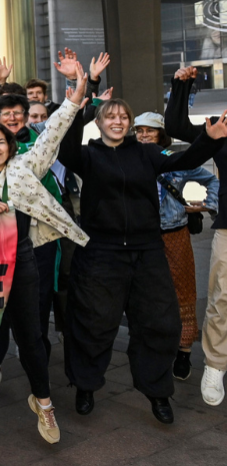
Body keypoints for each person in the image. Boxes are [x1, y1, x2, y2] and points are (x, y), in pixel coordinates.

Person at [58, 81, 227, 424]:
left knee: (157, 323)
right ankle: (86, 386)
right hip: (101, 254)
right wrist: (80, 103)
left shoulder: (148, 153)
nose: (117, 121)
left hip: (147, 251)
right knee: (94, 321)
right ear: (100, 122)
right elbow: (65, 149)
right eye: (110, 116)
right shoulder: (88, 155)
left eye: (123, 117)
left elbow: (185, 159)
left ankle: (158, 393)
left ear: (130, 123)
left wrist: (209, 139)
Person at [0, 66, 90, 444]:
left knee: (31, 337)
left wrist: (74, 97)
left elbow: (51, 135)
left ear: (11, 147)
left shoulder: (26, 168)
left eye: (2, 142)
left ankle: (43, 403)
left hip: (22, 262)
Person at [134, 111, 219, 381]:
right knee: (146, 295)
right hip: (142, 237)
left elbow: (212, 179)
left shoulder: (176, 161)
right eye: (139, 131)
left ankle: (183, 352)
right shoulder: (130, 159)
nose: (144, 135)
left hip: (175, 233)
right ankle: (154, 348)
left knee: (183, 293)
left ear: (161, 134)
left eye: (150, 130)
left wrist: (210, 204)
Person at [162, 66, 227, 405]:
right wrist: (181, 86)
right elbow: (175, 127)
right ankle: (215, 365)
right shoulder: (222, 126)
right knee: (221, 299)